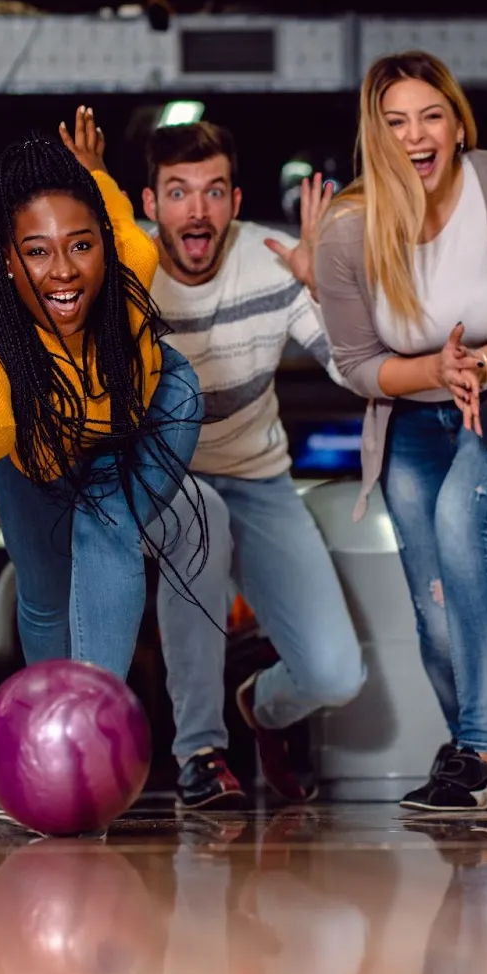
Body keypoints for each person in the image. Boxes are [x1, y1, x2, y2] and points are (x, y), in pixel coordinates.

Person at [0, 108, 207, 815]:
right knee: (44, 597)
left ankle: (89, 750)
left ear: (104, 248)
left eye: (80, 247)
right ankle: (40, 751)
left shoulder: (133, 266)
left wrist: (98, 174)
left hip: (133, 437)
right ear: (10, 259)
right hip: (33, 460)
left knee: (106, 523)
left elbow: (111, 211)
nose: (64, 270)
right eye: (39, 252)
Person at [313, 50, 487, 812]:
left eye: (430, 116)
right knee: (432, 606)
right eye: (395, 123)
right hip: (413, 418)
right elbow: (359, 363)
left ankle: (483, 759)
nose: (415, 135)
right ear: (375, 138)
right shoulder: (347, 231)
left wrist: (478, 368)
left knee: (465, 524)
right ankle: (470, 749)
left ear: (458, 124)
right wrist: (435, 372)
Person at [140, 121, 366, 808]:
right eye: (178, 193)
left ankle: (256, 707)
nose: (196, 210)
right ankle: (200, 752)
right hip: (167, 478)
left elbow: (356, 372)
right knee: (198, 517)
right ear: (150, 206)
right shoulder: (127, 273)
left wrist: (328, 287)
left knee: (335, 677)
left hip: (260, 478)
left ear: (234, 202)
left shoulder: (276, 260)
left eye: (212, 192)